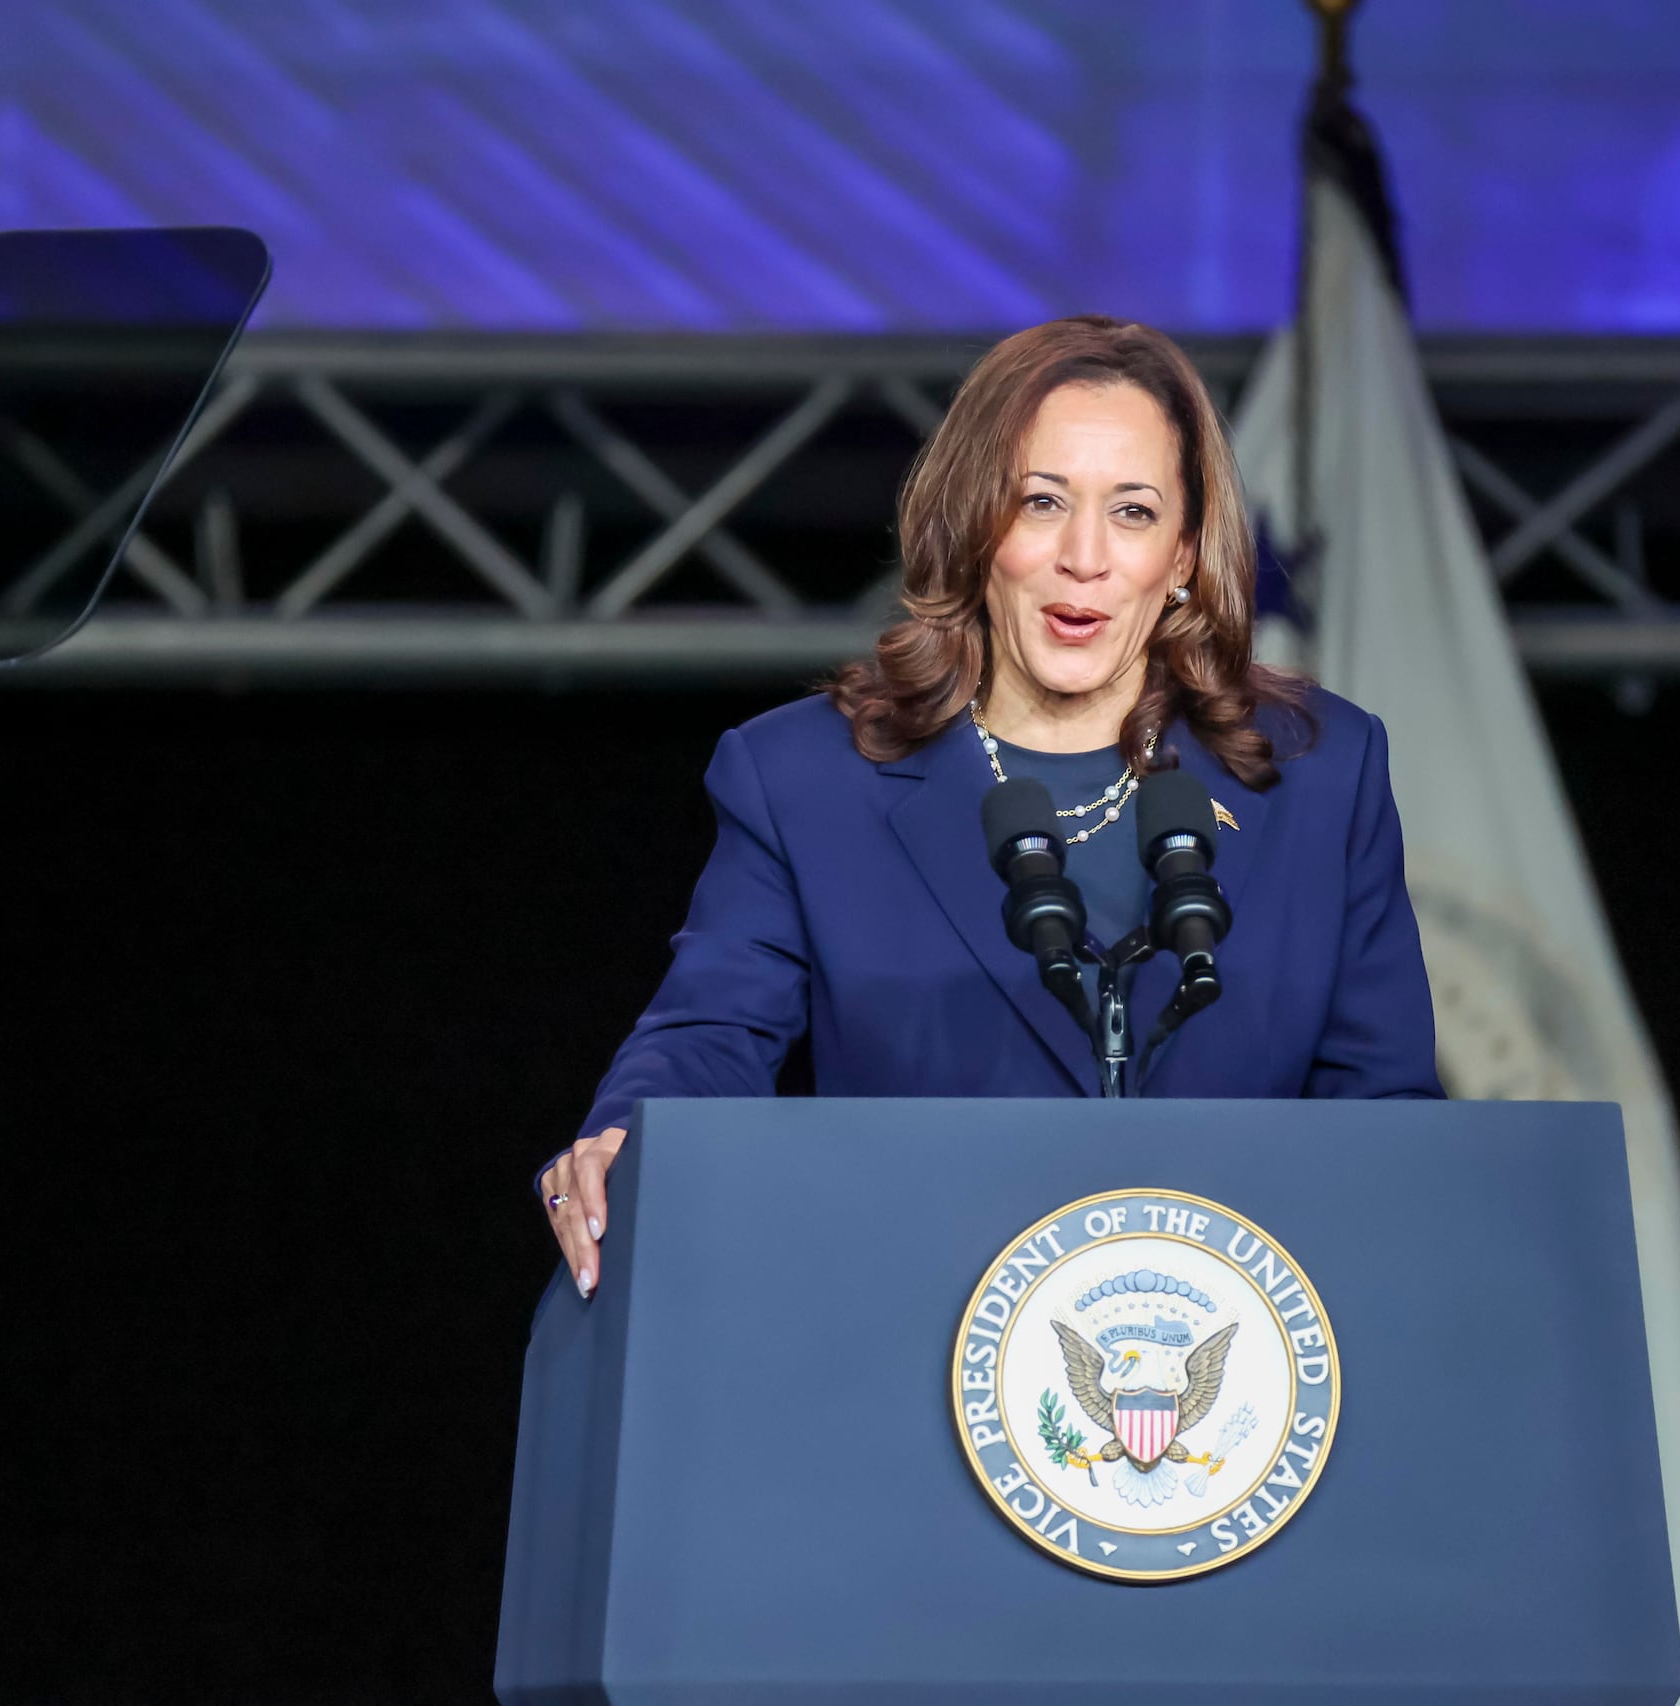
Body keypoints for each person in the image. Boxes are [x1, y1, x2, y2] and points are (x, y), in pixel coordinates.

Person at [538, 315, 1439, 1298]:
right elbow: (710, 1033)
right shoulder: (804, 780)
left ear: (1184, 552)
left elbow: (1383, 1112)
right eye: (1040, 501)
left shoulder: (1319, 771)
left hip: (1241, 1367)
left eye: (1132, 511)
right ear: (973, 524)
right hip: (907, 1331)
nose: (1083, 557)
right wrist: (626, 1134)